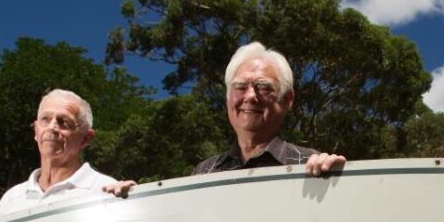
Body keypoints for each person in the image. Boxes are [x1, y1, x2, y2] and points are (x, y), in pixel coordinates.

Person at [105, 42, 344, 196]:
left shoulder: (311, 164)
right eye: (240, 86)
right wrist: (134, 203)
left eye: (263, 87)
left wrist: (335, 181)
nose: (250, 96)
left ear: (287, 99)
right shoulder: (204, 172)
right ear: (228, 98)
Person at [0, 89, 116, 217]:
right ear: (36, 131)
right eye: (45, 119)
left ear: (85, 138)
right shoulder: (11, 199)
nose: (52, 127)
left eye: (64, 122)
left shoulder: (104, 190)